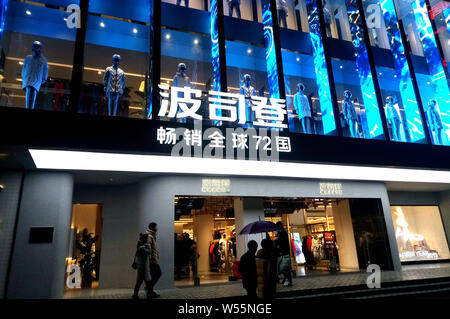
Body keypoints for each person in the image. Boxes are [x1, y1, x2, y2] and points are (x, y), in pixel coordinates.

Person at [132, 233, 152, 299]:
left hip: (143, 266)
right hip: (142, 266)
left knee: (145, 281)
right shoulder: (142, 247)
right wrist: (146, 247)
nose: (149, 239)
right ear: (146, 239)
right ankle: (136, 295)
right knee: (142, 281)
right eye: (148, 238)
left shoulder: (142, 245)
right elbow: (149, 252)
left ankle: (137, 294)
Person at [275, 222, 293, 286]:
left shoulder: (282, 233)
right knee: (285, 268)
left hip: (283, 253)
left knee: (284, 268)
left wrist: (277, 243)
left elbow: (282, 243)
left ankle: (288, 280)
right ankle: (287, 280)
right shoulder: (282, 233)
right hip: (284, 253)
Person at [146, 222, 161, 298]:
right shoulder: (149, 236)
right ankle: (149, 289)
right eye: (156, 227)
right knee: (158, 273)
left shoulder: (152, 235)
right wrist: (151, 258)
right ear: (153, 228)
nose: (157, 228)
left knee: (153, 275)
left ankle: (150, 292)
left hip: (153, 259)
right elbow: (148, 247)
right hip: (152, 260)